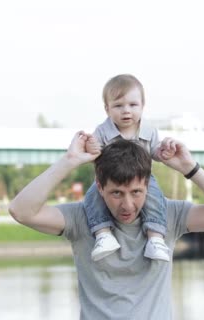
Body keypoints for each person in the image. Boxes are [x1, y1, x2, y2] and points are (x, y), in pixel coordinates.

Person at [9, 131, 204, 319]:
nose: (128, 204)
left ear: (147, 186)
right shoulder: (82, 219)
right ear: (100, 188)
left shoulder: (167, 215)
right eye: (116, 193)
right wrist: (69, 161)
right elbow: (21, 211)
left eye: (136, 192)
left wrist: (189, 168)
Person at [83, 74, 169, 262]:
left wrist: (163, 153)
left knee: (155, 196)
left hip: (141, 179)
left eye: (133, 105)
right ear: (107, 109)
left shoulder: (149, 130)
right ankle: (103, 233)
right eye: (118, 106)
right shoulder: (103, 131)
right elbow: (94, 153)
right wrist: (90, 147)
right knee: (92, 197)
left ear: (142, 106)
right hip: (110, 180)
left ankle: (155, 238)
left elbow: (154, 151)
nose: (126, 111)